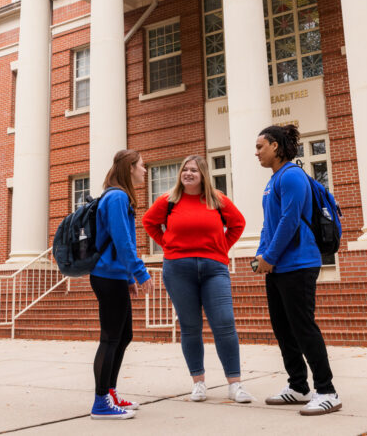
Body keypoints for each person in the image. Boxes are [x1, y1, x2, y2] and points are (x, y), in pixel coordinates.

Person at [142, 155, 252, 403]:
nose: (188, 173)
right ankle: (198, 383)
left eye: (193, 170)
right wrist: (167, 245)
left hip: (214, 270)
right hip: (178, 271)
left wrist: (221, 247)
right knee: (190, 327)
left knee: (224, 324)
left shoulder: (217, 199)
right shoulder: (168, 200)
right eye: (184, 170)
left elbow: (238, 224)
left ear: (203, 174)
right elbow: (149, 222)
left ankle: (235, 385)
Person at [253, 124, 341, 416]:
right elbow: (270, 223)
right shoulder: (273, 180)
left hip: (299, 263)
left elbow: (289, 221)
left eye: (260, 147)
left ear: (276, 146)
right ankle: (299, 387)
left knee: (303, 327)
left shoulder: (291, 176)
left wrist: (271, 256)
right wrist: (261, 256)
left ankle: (327, 390)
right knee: (282, 327)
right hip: (278, 265)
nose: (257, 153)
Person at [88, 149, 155, 420]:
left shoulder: (118, 197)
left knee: (123, 336)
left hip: (114, 276)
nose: (145, 170)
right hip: (106, 276)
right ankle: (101, 402)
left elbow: (120, 243)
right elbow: (122, 240)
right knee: (110, 338)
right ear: (130, 168)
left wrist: (128, 279)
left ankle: (110, 393)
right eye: (142, 165)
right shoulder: (117, 197)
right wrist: (139, 272)